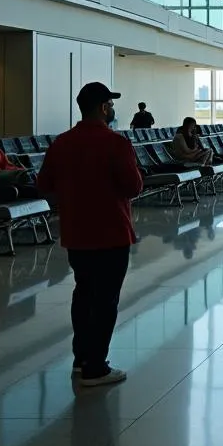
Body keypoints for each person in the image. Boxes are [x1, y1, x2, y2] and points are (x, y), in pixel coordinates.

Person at [35, 82, 143, 387]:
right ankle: (96, 367)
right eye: (110, 104)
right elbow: (133, 187)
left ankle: (81, 360)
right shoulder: (116, 144)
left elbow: (44, 184)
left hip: (76, 233)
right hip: (111, 233)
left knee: (83, 294)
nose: (113, 109)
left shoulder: (61, 143)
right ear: (103, 107)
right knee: (105, 300)